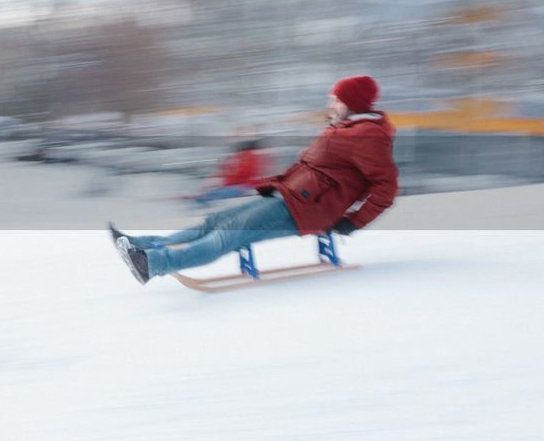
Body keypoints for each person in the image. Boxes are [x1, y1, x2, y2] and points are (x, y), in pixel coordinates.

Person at [113, 75, 399, 285]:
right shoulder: (347, 128)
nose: (331, 104)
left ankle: (153, 264)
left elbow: (386, 187)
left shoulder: (367, 136)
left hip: (309, 208)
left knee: (228, 235)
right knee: (213, 222)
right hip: (291, 196)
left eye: (336, 100)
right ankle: (141, 244)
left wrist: (353, 222)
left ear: (352, 103)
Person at [188, 138, 270, 206]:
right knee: (216, 191)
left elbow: (242, 173)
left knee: (220, 193)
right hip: (245, 184)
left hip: (245, 186)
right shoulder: (249, 156)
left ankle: (201, 204)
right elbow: (235, 172)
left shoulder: (248, 156)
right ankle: (200, 202)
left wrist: (226, 182)